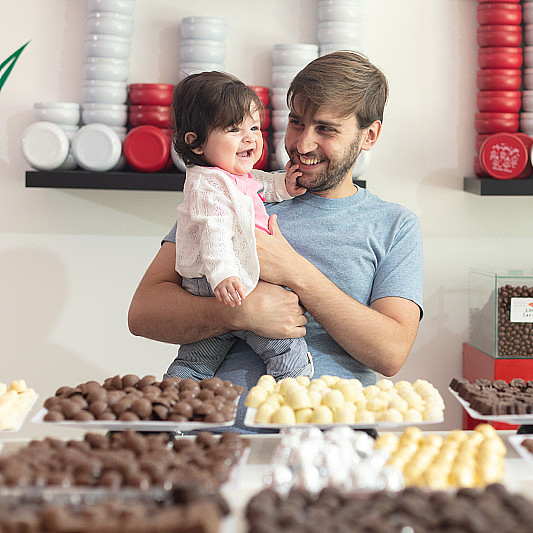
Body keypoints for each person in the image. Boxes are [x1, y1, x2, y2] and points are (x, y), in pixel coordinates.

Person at [128, 52, 423, 416]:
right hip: (213, 440)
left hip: (328, 438)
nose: (303, 144)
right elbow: (143, 314)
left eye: (326, 129)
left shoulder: (394, 225)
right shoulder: (234, 193)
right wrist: (238, 314)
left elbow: (391, 353)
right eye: (296, 123)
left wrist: (295, 272)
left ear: (369, 135)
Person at [167, 70, 313, 382]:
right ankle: (297, 391)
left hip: (221, 280)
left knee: (198, 359)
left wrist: (284, 186)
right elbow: (213, 230)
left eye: (253, 127)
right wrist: (223, 275)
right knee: (282, 343)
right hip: (220, 281)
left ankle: (173, 407)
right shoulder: (206, 185)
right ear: (195, 143)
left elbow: (259, 184)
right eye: (234, 129)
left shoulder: (231, 175)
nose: (249, 137)